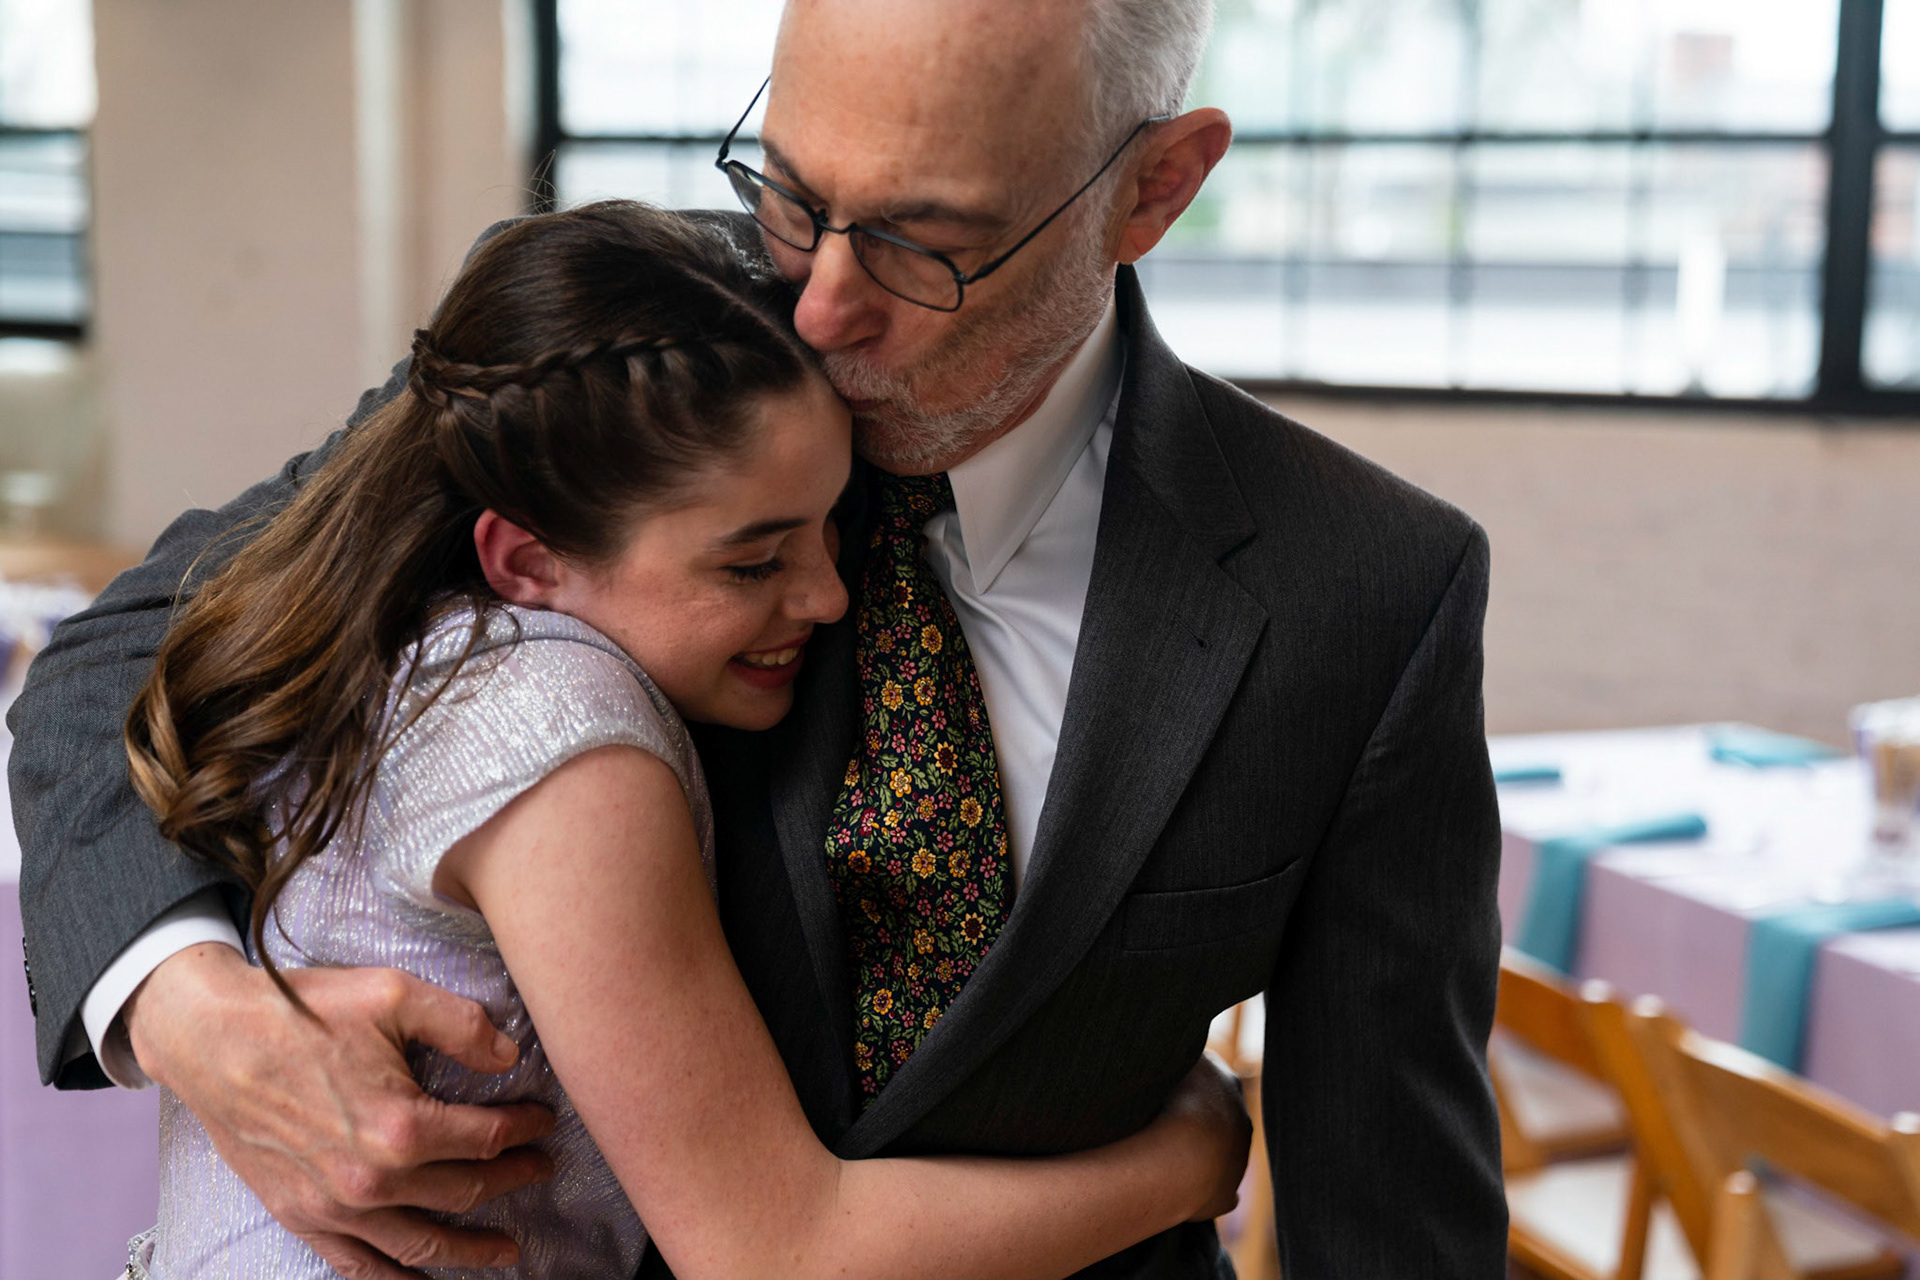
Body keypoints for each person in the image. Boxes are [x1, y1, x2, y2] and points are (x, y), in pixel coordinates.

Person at [12, 0, 1507, 1276]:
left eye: (929, 242)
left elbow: (1390, 1210)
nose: (823, 301)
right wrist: (198, 1016)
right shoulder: (649, 352)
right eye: (790, 193)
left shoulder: (1365, 587)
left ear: (1156, 189)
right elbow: (118, 655)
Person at [112, 199, 1248, 1279]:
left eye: (826, 530)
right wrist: (1185, 1159)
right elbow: (776, 1252)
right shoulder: (558, 736)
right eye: (752, 561)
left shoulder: (429, 640)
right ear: (528, 559)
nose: (827, 596)